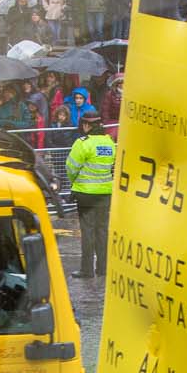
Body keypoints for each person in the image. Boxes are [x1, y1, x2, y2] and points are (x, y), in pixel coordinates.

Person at [66, 111, 116, 278]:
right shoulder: (109, 142)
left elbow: (71, 167)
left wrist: (74, 182)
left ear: (86, 125)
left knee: (87, 232)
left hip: (85, 194)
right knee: (102, 231)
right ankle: (103, 268)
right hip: (105, 193)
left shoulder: (82, 143)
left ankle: (86, 270)